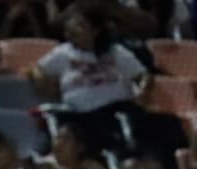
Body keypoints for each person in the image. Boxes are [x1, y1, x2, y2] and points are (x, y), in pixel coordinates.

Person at [30, 9, 153, 160]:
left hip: (115, 110)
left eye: (79, 26)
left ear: (95, 31)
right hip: (78, 114)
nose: (72, 30)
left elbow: (143, 75)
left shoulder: (115, 51)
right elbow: (36, 69)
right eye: (70, 27)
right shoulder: (62, 53)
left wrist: (143, 90)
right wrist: (44, 83)